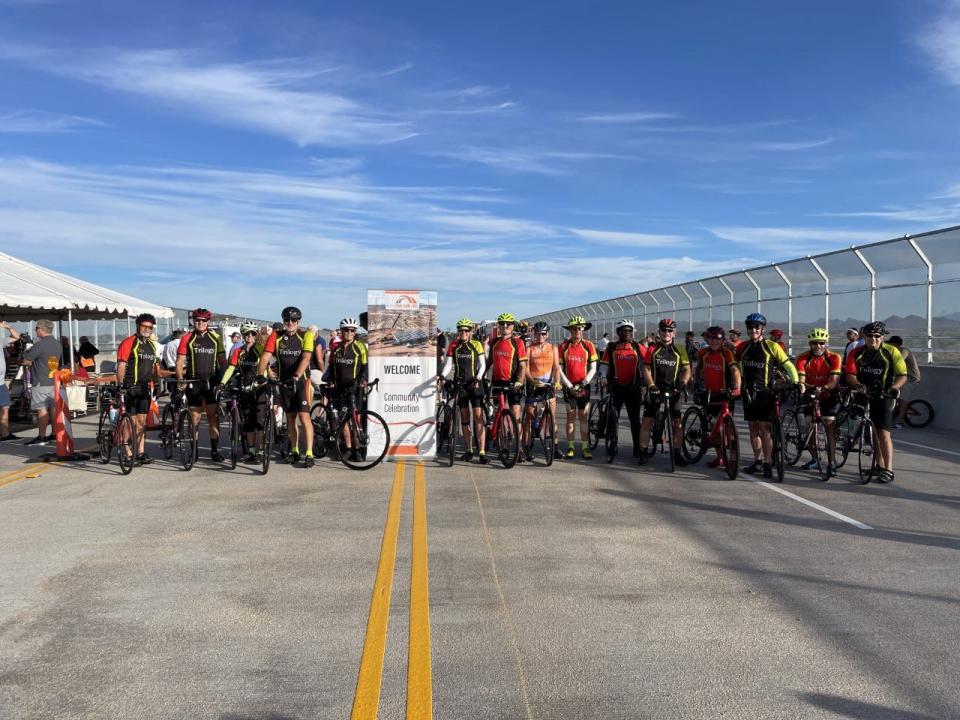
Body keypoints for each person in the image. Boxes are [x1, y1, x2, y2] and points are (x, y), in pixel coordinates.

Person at [736, 313, 799, 477]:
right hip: (748, 393)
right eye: (750, 327)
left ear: (762, 329)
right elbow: (735, 367)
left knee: (765, 428)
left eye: (757, 327)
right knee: (753, 429)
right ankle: (757, 461)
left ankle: (767, 462)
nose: (753, 330)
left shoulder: (772, 346)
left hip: (765, 393)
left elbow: (788, 365)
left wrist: (797, 381)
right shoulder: (743, 347)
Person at [845, 322, 908, 481]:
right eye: (869, 336)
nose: (872, 339)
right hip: (864, 394)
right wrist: (858, 385)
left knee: (884, 433)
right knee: (873, 433)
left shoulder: (891, 351)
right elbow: (850, 373)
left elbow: (902, 375)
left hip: (884, 396)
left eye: (876, 336)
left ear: (882, 337)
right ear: (864, 337)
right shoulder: (856, 352)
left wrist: (894, 388)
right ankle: (878, 466)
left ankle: (888, 470)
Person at [257, 306, 316, 467]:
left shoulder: (306, 335)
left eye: (293, 320)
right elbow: (265, 356)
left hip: (301, 382)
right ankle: (294, 450)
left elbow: (306, 358)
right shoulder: (275, 336)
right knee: (290, 418)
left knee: (304, 417)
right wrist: (261, 375)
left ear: (299, 321)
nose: (290, 323)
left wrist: (296, 376)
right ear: (283, 321)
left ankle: (309, 453)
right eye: (286, 320)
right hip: (283, 383)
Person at [116, 314, 170, 464]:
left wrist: (157, 384)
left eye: (150, 327)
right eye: (144, 326)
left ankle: (140, 452)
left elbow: (154, 368)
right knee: (130, 422)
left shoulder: (152, 345)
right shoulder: (129, 342)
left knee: (142, 422)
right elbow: (121, 365)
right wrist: (121, 386)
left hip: (145, 388)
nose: (147, 330)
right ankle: (127, 452)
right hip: (130, 387)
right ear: (138, 326)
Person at [638, 318, 691, 467]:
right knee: (648, 421)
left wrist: (683, 383)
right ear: (659, 332)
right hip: (656, 389)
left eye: (669, 330)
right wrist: (651, 385)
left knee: (677, 424)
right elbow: (646, 369)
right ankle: (643, 451)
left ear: (674, 333)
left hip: (674, 390)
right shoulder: (653, 349)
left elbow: (687, 369)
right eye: (664, 330)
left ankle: (677, 453)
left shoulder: (680, 349)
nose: (666, 333)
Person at [176, 308, 227, 462]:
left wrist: (223, 380)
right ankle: (194, 451)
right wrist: (180, 379)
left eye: (203, 321)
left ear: (208, 322)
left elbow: (222, 361)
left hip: (211, 382)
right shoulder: (187, 338)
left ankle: (214, 451)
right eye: (197, 320)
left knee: (213, 416)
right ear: (193, 321)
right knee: (195, 418)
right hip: (193, 382)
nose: (200, 323)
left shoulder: (215, 337)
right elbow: (179, 362)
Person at [440, 318, 488, 463]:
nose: (463, 332)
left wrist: (478, 378)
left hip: (474, 384)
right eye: (460, 330)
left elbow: (483, 364)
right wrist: (442, 375)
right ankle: (468, 449)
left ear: (471, 332)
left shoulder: (476, 344)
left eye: (466, 330)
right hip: (460, 385)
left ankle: (482, 451)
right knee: (465, 419)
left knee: (478, 418)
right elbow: (448, 365)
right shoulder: (454, 345)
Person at [794, 328, 842, 475]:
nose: (818, 346)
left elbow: (834, 381)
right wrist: (807, 387)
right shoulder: (802, 358)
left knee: (829, 427)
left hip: (828, 394)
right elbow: (801, 380)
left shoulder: (834, 358)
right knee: (808, 427)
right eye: (815, 343)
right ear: (810, 343)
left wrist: (824, 388)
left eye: (821, 343)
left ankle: (832, 462)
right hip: (810, 394)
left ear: (826, 343)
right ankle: (815, 459)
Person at [694, 326, 741, 469]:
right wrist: (696, 385)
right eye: (712, 338)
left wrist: (737, 387)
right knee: (714, 427)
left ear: (722, 340)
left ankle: (732, 458)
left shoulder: (727, 354)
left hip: (725, 394)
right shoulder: (702, 353)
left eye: (718, 338)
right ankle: (720, 457)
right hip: (709, 393)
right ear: (707, 338)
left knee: (728, 428)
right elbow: (699, 369)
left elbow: (735, 371)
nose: (714, 341)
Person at [220, 322, 265, 464]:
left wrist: (263, 380)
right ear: (243, 335)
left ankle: (261, 451)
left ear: (256, 335)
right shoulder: (238, 352)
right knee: (248, 422)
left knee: (259, 421)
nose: (250, 336)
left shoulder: (259, 349)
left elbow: (265, 368)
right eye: (247, 334)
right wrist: (222, 383)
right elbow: (231, 368)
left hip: (259, 388)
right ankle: (251, 452)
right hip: (245, 388)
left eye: (252, 333)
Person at [600, 319, 645, 458]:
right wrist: (602, 376)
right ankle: (613, 444)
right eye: (624, 331)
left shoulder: (637, 347)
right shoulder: (612, 347)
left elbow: (650, 361)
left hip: (634, 388)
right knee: (613, 418)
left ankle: (637, 448)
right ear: (618, 332)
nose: (627, 333)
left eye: (630, 331)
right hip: (616, 387)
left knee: (635, 420)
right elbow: (604, 364)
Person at [327, 317, 369, 462]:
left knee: (355, 419)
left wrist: (361, 380)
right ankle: (348, 447)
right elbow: (331, 368)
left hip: (355, 389)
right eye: (346, 330)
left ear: (355, 332)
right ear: (341, 331)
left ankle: (357, 449)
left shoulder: (360, 346)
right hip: (340, 389)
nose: (349, 333)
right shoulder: (336, 348)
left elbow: (364, 366)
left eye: (352, 330)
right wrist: (331, 380)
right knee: (343, 420)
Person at [558, 316, 598, 459]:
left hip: (583, 387)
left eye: (580, 328)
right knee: (570, 418)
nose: (577, 331)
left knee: (583, 417)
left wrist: (584, 382)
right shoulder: (563, 346)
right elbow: (560, 368)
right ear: (570, 330)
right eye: (574, 328)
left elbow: (593, 368)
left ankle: (585, 448)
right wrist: (568, 385)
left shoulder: (589, 345)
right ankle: (570, 447)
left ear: (583, 329)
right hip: (569, 387)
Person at [522, 320, 561, 462]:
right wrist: (532, 381)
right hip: (533, 384)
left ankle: (555, 447)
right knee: (529, 418)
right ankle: (526, 447)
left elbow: (556, 367)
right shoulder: (529, 348)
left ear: (547, 334)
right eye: (537, 334)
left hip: (548, 385)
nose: (540, 336)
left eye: (543, 334)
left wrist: (557, 382)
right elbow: (525, 368)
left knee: (552, 417)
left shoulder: (553, 348)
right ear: (533, 334)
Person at [487, 312, 528, 438]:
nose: (505, 326)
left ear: (512, 326)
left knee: (515, 415)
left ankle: (519, 447)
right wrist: (480, 376)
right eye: (502, 323)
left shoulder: (518, 343)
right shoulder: (494, 342)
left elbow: (522, 365)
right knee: (499, 414)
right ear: (498, 326)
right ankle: (502, 443)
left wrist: (520, 381)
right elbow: (489, 361)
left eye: (508, 324)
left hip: (513, 382)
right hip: (497, 382)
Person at [21, 319, 61, 445]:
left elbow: (26, 361)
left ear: (43, 329)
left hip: (40, 381)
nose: (35, 330)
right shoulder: (57, 344)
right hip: (53, 381)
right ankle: (54, 434)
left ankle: (41, 437)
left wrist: (25, 353)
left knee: (41, 410)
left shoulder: (39, 344)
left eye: (37, 328)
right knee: (53, 409)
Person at [886, 336, 920, 427]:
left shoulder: (904, 350)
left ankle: (900, 422)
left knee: (903, 399)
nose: (890, 345)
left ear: (897, 344)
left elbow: (897, 361)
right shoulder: (895, 351)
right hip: (901, 376)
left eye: (891, 344)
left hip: (911, 378)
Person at [0, 321, 22, 441]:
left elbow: (16, 337)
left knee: (5, 407)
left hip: (1, 383)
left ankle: (5, 434)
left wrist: (8, 327)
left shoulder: (0, 341)